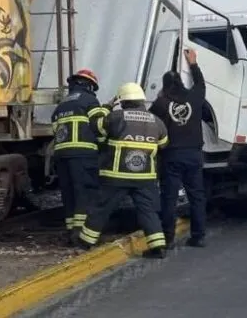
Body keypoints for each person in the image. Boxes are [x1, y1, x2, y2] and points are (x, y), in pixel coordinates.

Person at [76, 82, 169, 258]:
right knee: (148, 211)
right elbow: (163, 144)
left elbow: (95, 126)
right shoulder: (157, 122)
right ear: (142, 101)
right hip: (145, 177)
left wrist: (107, 107)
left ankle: (85, 241)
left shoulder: (116, 117)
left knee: (102, 208)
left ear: (123, 102)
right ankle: (158, 246)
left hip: (116, 176)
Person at [150, 48, 209, 248]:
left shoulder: (161, 103)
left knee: (169, 197)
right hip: (194, 154)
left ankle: (167, 239)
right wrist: (193, 63)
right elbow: (200, 84)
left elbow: (150, 120)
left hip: (171, 155)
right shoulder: (194, 97)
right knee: (197, 196)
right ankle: (198, 236)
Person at [51, 69, 110, 243]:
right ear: (90, 85)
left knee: (68, 193)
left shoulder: (61, 105)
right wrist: (103, 144)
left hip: (62, 155)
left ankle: (71, 230)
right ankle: (81, 233)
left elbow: (55, 129)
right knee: (84, 191)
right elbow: (99, 126)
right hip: (83, 155)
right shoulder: (90, 100)